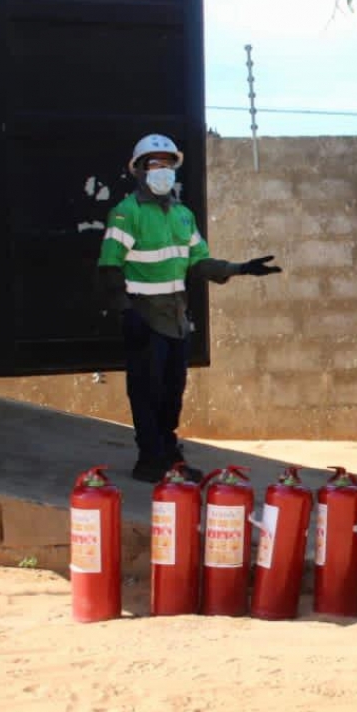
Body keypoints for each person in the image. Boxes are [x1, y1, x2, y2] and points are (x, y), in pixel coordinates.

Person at [97, 134, 281, 483]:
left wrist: (241, 268)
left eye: (168, 164)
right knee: (147, 392)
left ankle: (169, 455)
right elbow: (109, 268)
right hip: (145, 318)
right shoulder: (126, 213)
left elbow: (199, 263)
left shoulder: (183, 216)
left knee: (171, 394)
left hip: (176, 320)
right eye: (154, 164)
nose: (162, 171)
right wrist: (126, 312)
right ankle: (150, 460)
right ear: (138, 170)